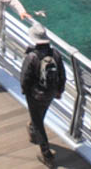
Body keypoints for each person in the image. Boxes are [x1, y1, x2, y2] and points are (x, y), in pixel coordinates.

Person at [20, 21, 66, 165]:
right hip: (50, 93)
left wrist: (25, 91)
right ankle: (33, 131)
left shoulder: (32, 57)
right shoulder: (56, 54)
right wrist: (59, 91)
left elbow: (25, 77)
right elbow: (62, 74)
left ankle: (46, 155)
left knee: (38, 121)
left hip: (35, 95)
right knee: (40, 115)